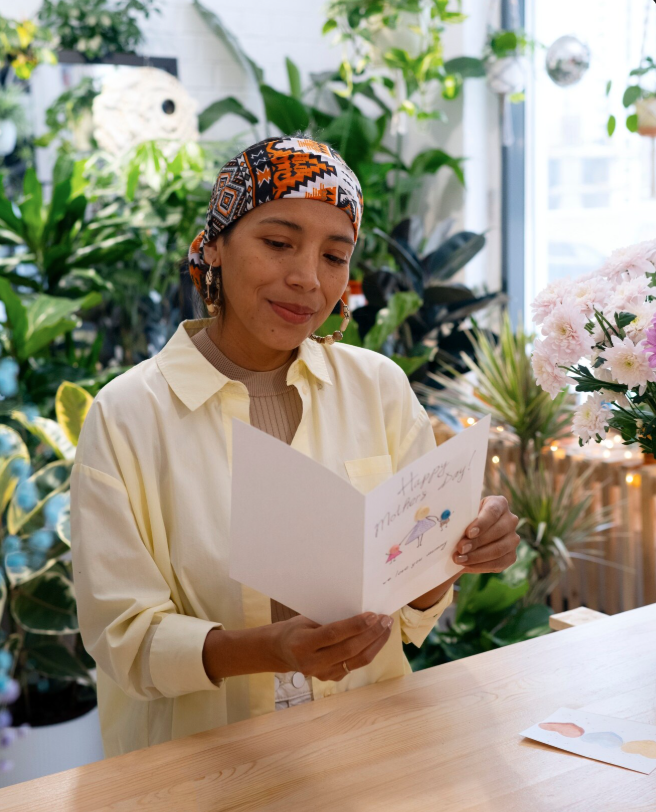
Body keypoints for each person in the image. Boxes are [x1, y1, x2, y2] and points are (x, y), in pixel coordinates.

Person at [70, 133, 520, 758]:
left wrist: (459, 550)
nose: (307, 278)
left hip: (368, 751)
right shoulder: (129, 416)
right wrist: (272, 649)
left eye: (335, 256)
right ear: (216, 247)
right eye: (278, 243)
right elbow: (124, 639)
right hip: (205, 767)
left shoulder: (379, 389)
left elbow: (415, 601)